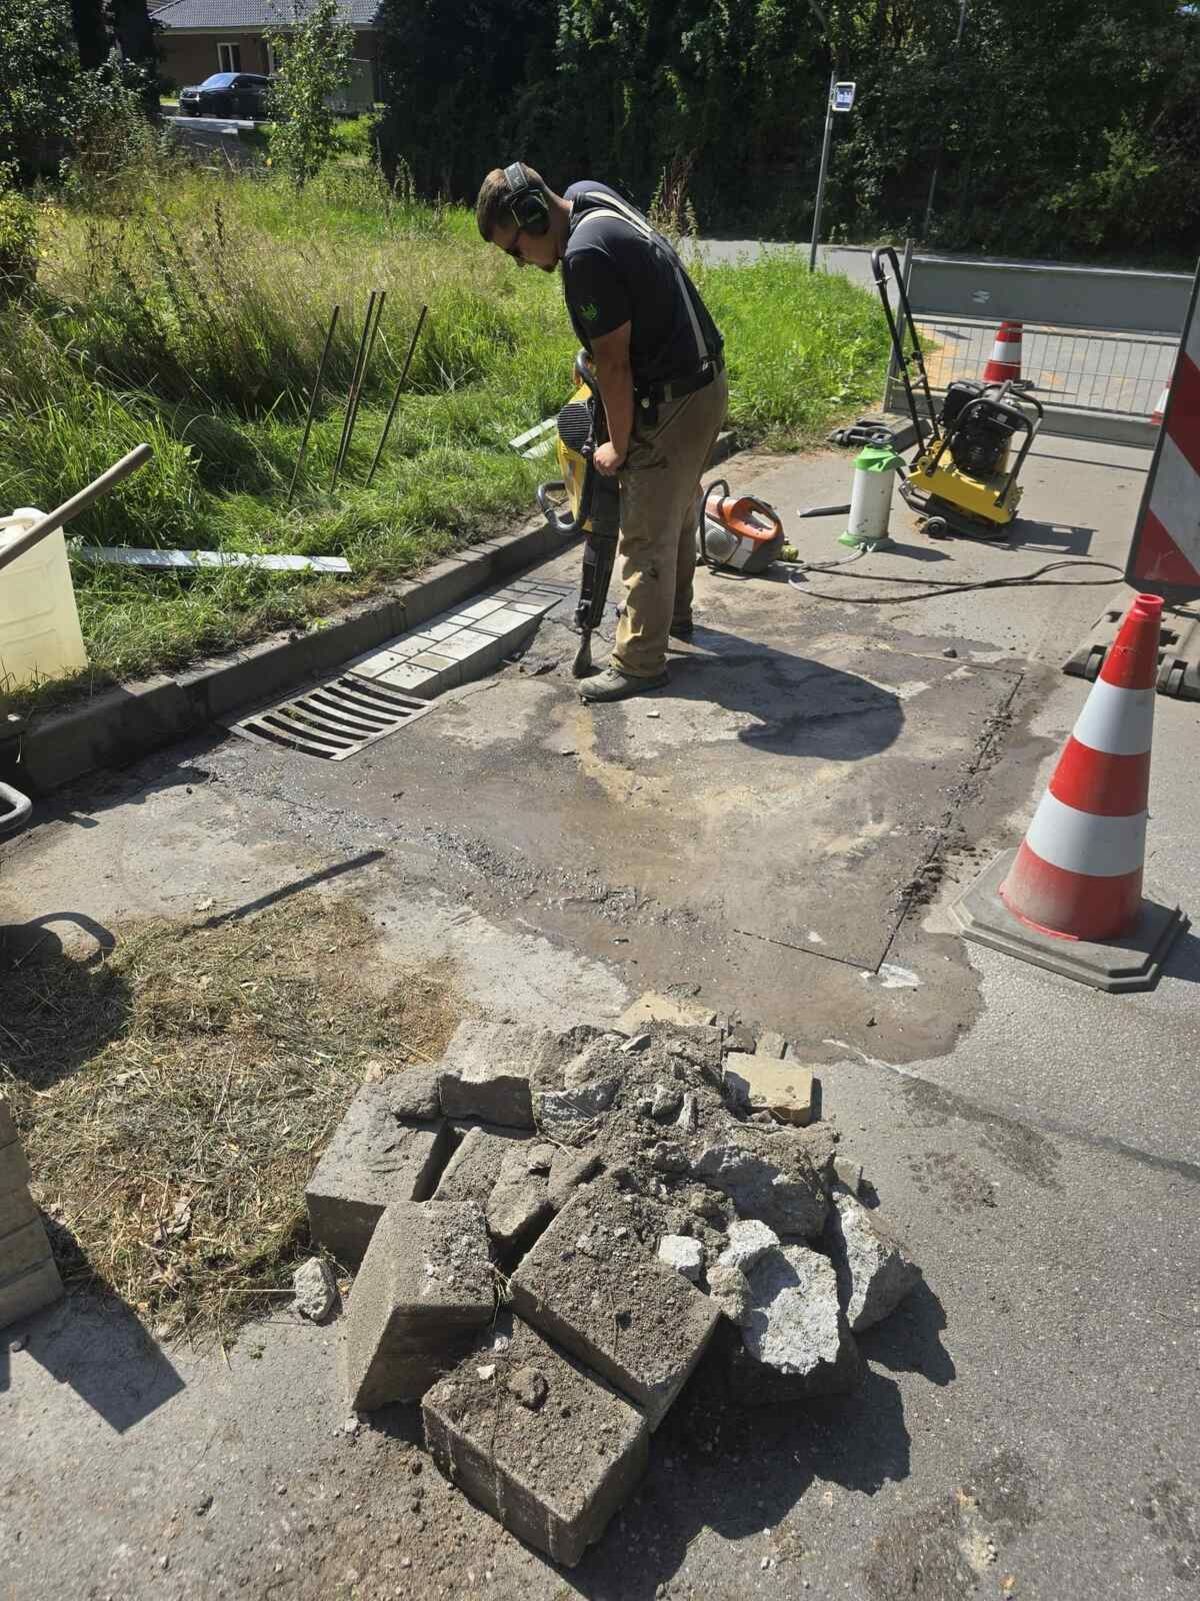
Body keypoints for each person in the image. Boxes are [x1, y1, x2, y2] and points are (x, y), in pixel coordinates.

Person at [475, 162, 728, 703]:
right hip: (705, 383)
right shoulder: (588, 197)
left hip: (676, 398)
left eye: (515, 249)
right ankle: (674, 617)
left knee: (643, 531)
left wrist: (617, 443)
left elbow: (615, 366)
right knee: (677, 509)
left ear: (535, 216)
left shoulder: (585, 257)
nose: (519, 263)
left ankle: (639, 662)